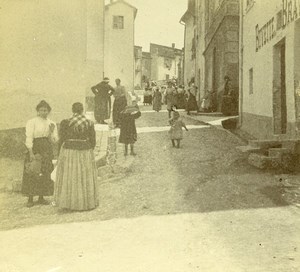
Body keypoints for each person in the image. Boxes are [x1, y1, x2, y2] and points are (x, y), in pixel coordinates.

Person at [54, 102, 98, 211]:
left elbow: (61, 139)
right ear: (82, 110)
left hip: (69, 152)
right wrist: (88, 149)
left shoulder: (65, 123)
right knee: (83, 175)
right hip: (85, 151)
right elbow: (93, 141)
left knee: (71, 175)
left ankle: (69, 202)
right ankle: (84, 202)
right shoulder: (89, 123)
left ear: (72, 110)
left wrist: (59, 152)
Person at [22, 100, 58, 207]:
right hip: (35, 147)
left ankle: (41, 197)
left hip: (46, 148)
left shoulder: (52, 123)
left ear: (49, 111)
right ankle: (30, 198)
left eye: (46, 110)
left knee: (45, 171)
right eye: (41, 110)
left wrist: (51, 132)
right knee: (33, 171)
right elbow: (29, 138)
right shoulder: (32, 122)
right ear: (37, 111)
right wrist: (31, 153)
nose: (44, 112)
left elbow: (54, 140)